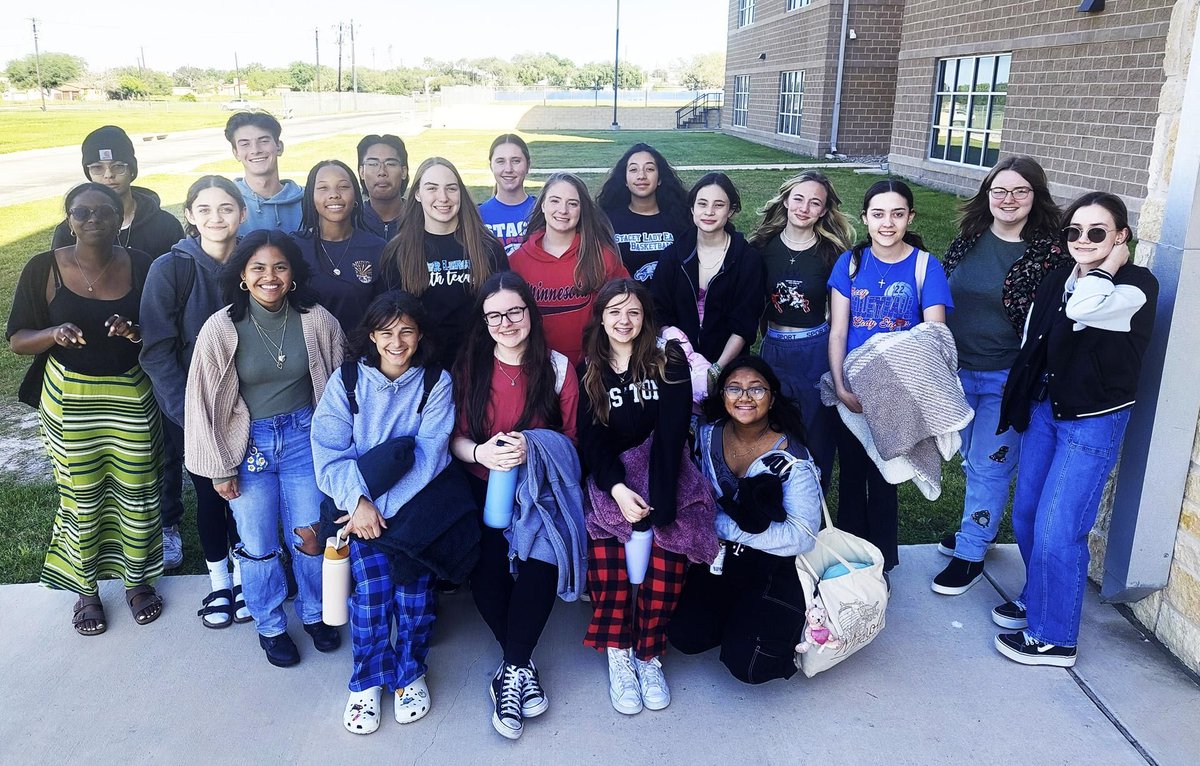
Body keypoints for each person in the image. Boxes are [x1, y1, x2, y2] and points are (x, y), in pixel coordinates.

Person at [994, 192, 1157, 667]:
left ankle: (1054, 636)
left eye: (1098, 232)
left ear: (1121, 236)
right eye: (1074, 232)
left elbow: (1085, 310)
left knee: (1059, 527)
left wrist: (1103, 269)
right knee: (1026, 514)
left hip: (1092, 420)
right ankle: (1039, 597)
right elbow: (1034, 337)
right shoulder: (1058, 279)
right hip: (1047, 409)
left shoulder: (1136, 286)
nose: (1082, 241)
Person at [184, 230, 345, 667]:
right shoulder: (220, 328)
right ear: (241, 274)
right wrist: (219, 467)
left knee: (310, 535)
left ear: (293, 274)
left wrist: (340, 448)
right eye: (258, 267)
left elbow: (337, 388)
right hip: (248, 445)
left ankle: (315, 614)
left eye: (280, 267)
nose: (269, 277)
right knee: (257, 543)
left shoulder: (317, 320)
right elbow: (201, 402)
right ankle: (270, 624)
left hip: (303, 440)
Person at [8, 182, 164, 635]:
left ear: (121, 217)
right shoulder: (44, 268)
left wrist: (133, 331)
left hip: (131, 395)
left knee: (136, 492)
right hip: (68, 398)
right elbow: (18, 338)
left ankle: (137, 583)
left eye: (104, 210)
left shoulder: (143, 265)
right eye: (82, 212)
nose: (93, 218)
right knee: (82, 496)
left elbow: (157, 330)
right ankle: (86, 588)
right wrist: (53, 333)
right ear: (69, 219)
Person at [311, 291, 456, 733]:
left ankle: (410, 671)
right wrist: (358, 504)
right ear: (372, 335)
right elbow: (328, 451)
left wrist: (378, 510)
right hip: (359, 504)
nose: (397, 341)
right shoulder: (348, 381)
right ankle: (368, 679)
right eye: (387, 332)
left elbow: (431, 456)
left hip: (413, 508)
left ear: (420, 335)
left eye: (407, 331)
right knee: (372, 595)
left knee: (414, 595)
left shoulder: (436, 381)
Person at [449, 272, 584, 739]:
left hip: (540, 488)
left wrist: (534, 446)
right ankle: (520, 667)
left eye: (514, 311)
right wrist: (480, 452)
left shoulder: (560, 368)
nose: (506, 322)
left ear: (531, 312)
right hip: (481, 484)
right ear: (484, 321)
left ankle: (510, 671)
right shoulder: (470, 368)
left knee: (540, 561)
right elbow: (455, 438)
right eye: (494, 316)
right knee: (484, 566)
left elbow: (571, 443)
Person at [932, 157, 1069, 596]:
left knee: (991, 465)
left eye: (1020, 191)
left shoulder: (1051, 253)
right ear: (987, 195)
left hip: (1006, 377)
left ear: (1036, 196)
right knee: (969, 456)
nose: (1008, 200)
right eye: (1000, 191)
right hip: (956, 370)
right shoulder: (968, 239)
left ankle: (971, 550)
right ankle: (979, 528)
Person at [577, 278, 701, 715]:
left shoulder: (668, 362)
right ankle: (618, 651)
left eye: (632, 312)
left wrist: (661, 501)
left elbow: (671, 436)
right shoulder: (589, 366)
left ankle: (648, 653)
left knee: (668, 559)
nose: (623, 321)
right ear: (601, 318)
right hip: (613, 476)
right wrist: (616, 489)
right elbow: (591, 441)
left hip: (665, 471)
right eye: (614, 312)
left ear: (645, 316)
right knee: (610, 563)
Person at [140, 176, 252, 626]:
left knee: (248, 493)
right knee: (210, 494)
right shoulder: (171, 269)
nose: (216, 218)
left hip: (252, 402)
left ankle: (249, 576)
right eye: (204, 209)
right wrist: (187, 411)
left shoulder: (256, 261)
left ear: (242, 213)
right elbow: (157, 348)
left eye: (226, 208)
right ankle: (219, 582)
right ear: (189, 215)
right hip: (195, 407)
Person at [668, 356, 821, 684]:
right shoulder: (708, 435)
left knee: (749, 665)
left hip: (776, 566)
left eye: (757, 389)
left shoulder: (794, 460)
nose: (745, 397)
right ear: (722, 395)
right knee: (685, 637)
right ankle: (742, 616)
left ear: (772, 397)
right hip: (723, 562)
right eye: (734, 388)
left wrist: (722, 527)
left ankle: (798, 621)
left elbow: (803, 536)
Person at [827, 180, 953, 571]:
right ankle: (850, 563)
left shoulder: (924, 265)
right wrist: (840, 384)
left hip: (899, 389)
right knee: (850, 476)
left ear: (910, 217)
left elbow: (933, 334)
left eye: (897, 214)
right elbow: (838, 330)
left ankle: (883, 562)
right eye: (878, 214)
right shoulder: (849, 263)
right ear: (865, 218)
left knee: (886, 478)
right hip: (852, 385)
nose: (887, 223)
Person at [749, 171, 856, 489]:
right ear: (785, 199)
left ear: (823, 211)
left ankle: (817, 512)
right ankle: (777, 503)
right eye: (798, 198)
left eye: (815, 203)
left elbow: (842, 315)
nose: (804, 208)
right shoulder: (761, 247)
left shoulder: (833, 253)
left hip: (814, 350)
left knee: (816, 435)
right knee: (772, 429)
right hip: (772, 349)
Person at [379, 157, 508, 371]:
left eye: (451, 188)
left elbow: (504, 309)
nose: (443, 197)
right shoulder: (398, 252)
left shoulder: (488, 248)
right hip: (422, 370)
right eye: (432, 188)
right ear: (418, 194)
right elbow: (391, 319)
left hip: (479, 367)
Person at [653, 172, 766, 383]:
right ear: (692, 208)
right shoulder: (673, 255)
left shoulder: (747, 259)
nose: (709, 212)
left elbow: (744, 324)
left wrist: (716, 371)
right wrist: (683, 359)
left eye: (719, 205)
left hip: (729, 367)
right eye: (702, 203)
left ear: (731, 210)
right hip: (676, 364)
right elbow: (659, 312)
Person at [509, 172, 629, 366]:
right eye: (555, 201)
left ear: (582, 210)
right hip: (536, 367)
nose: (563, 210)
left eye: (572, 203)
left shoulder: (602, 256)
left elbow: (627, 303)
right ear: (542, 205)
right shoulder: (516, 262)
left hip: (593, 367)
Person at [50, 125, 183, 277]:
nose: (108, 175)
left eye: (118, 166)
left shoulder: (165, 225)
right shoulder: (71, 230)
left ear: (132, 169)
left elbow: (180, 280)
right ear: (89, 173)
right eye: (97, 168)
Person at [293, 159, 387, 333]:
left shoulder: (378, 248)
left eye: (343, 187)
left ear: (356, 196)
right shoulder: (294, 248)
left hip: (361, 353)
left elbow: (385, 313)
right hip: (310, 354)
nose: (334, 194)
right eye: (323, 188)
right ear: (311, 197)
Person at [596, 143, 688, 283]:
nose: (641, 176)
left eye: (649, 169)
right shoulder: (607, 221)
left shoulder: (680, 219)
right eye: (633, 169)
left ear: (660, 178)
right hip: (624, 302)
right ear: (625, 180)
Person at [224, 111, 303, 235]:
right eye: (245, 144)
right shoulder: (225, 202)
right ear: (236, 153)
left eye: (263, 141)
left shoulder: (309, 201)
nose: (255, 150)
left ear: (279, 147)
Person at [478, 134, 534, 254]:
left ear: (528, 165)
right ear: (491, 166)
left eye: (516, 161)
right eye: (500, 161)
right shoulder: (477, 216)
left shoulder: (543, 211)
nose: (508, 169)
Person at [357, 134, 409, 241]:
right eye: (373, 164)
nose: (382, 172)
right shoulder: (351, 222)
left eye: (390, 164)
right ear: (361, 172)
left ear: (404, 172)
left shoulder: (421, 218)